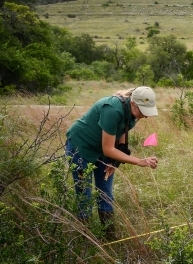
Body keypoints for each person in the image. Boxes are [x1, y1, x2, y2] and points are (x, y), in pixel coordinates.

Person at [65, 86, 159, 236]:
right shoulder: (112, 110)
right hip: (81, 148)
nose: (145, 116)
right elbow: (108, 149)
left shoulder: (133, 113)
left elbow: (120, 140)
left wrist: (114, 163)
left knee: (105, 194)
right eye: (143, 112)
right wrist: (140, 161)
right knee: (85, 196)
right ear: (133, 103)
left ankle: (109, 237)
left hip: (102, 152)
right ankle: (85, 240)